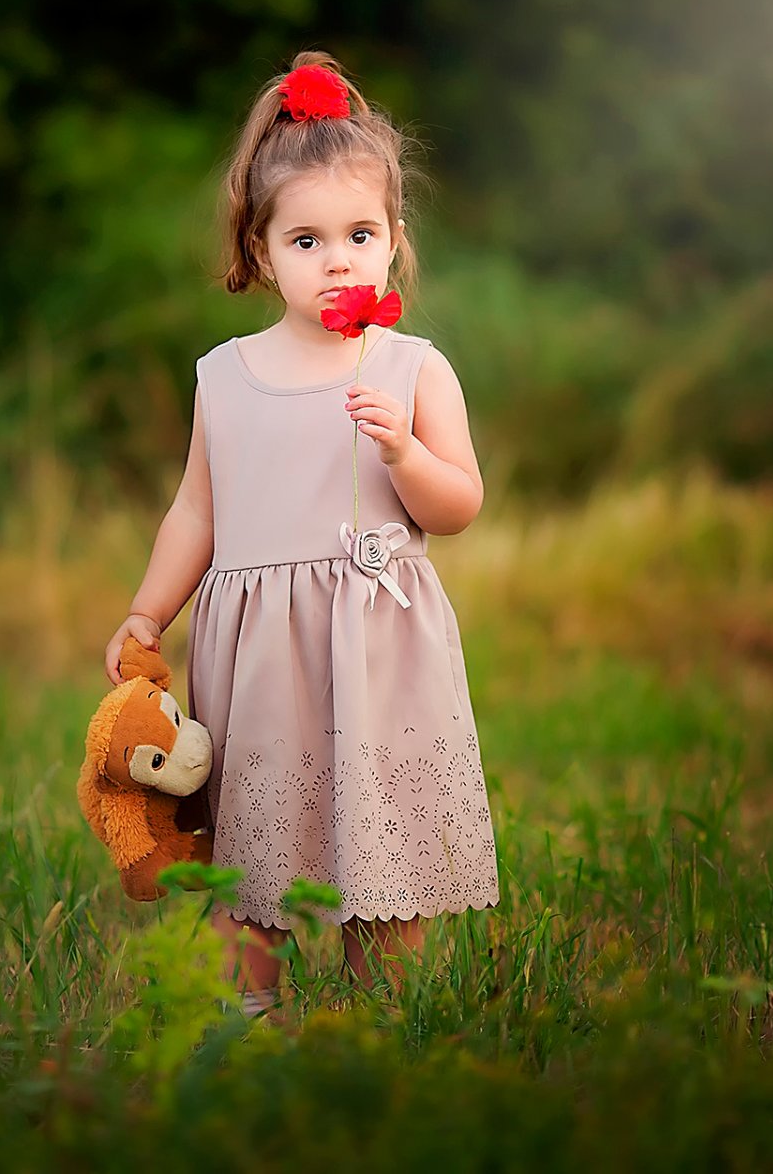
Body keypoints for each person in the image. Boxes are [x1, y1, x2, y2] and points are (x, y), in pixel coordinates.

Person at [102, 51, 501, 1024]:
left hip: (380, 650)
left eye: (361, 234)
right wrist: (149, 610)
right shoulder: (228, 377)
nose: (337, 259)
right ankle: (253, 1013)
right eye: (308, 239)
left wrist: (405, 454)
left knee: (386, 835)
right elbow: (196, 510)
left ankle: (385, 1014)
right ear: (260, 250)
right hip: (262, 657)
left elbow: (459, 502)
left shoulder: (413, 368)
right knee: (257, 836)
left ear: (395, 242)